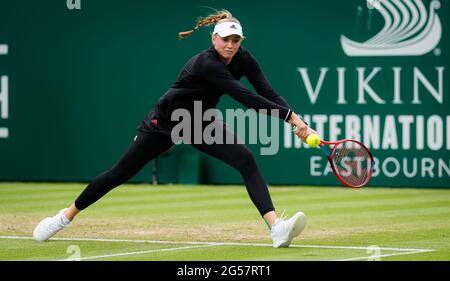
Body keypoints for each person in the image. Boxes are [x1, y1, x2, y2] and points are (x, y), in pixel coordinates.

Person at [33, 10, 316, 248]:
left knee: (245, 159)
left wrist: (296, 118)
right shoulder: (207, 64)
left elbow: (267, 91)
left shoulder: (245, 59)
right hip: (165, 122)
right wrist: (290, 118)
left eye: (236, 40)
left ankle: (276, 228)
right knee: (121, 173)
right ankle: (64, 217)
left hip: (200, 123)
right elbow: (244, 97)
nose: (231, 45)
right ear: (214, 38)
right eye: (226, 39)